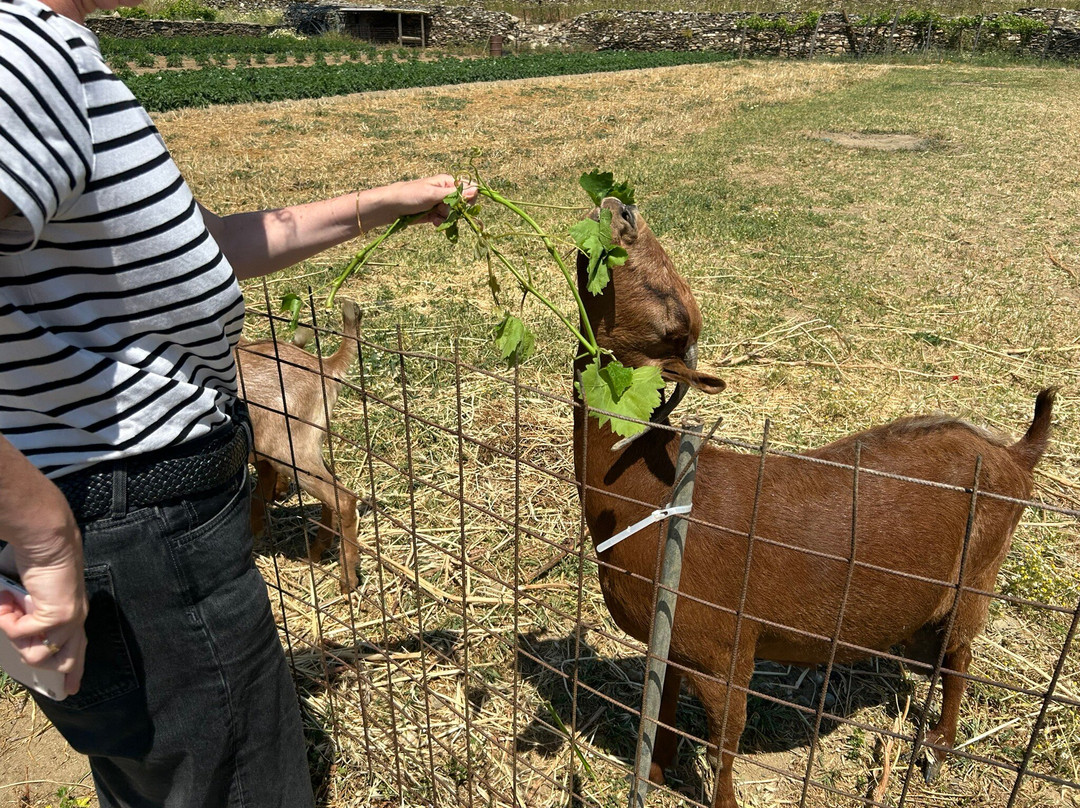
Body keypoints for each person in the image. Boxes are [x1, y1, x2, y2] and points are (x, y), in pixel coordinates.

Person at [0, 0, 475, 802]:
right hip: (131, 521)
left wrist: (379, 203)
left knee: (167, 776)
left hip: (141, 518)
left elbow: (204, 241)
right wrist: (43, 535)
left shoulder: (52, 53)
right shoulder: (21, 50)